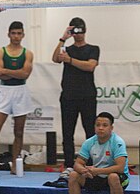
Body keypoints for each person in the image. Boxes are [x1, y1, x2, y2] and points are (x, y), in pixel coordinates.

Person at [52, 17, 100, 178]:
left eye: (80, 30)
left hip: (87, 96)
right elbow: (55, 58)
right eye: (75, 31)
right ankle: (68, 164)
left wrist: (70, 60)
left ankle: (91, 163)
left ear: (85, 30)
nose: (78, 34)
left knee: (90, 132)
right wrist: (63, 38)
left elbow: (90, 66)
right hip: (68, 96)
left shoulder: (93, 49)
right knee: (67, 132)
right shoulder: (67, 48)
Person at [0, 21, 34, 175]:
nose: (16, 36)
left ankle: (15, 164)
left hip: (21, 91)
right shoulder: (1, 52)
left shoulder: (28, 53)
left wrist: (5, 70)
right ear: (9, 34)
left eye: (19, 33)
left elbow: (25, 74)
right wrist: (15, 72)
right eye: (13, 33)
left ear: (23, 35)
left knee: (19, 131)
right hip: (5, 91)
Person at [68, 112, 129, 193]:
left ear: (111, 128)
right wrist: (84, 171)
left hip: (117, 177)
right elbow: (77, 164)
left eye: (105, 125)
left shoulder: (118, 142)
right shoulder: (89, 142)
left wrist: (98, 170)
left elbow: (120, 168)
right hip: (96, 176)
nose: (100, 128)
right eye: (98, 125)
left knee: (113, 177)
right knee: (73, 175)